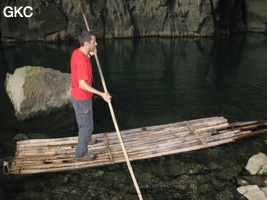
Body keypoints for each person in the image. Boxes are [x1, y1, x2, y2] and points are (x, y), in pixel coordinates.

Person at [70, 31, 111, 160]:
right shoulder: (81, 60)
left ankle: (86, 139)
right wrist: (102, 94)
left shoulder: (78, 52)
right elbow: (82, 84)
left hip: (80, 96)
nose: (96, 44)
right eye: (94, 42)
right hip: (82, 97)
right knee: (87, 126)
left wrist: (90, 53)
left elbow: (83, 63)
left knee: (85, 123)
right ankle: (81, 154)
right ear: (87, 43)